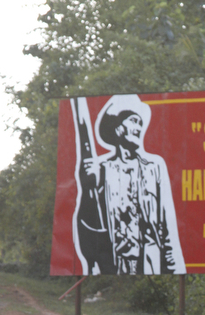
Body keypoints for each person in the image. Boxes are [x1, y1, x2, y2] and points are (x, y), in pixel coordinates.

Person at [74, 94, 186, 275]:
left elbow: (166, 226)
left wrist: (173, 267)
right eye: (134, 121)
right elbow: (89, 228)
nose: (139, 128)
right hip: (113, 263)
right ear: (118, 128)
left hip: (150, 261)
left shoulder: (154, 167)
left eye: (141, 123)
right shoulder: (101, 169)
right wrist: (87, 188)